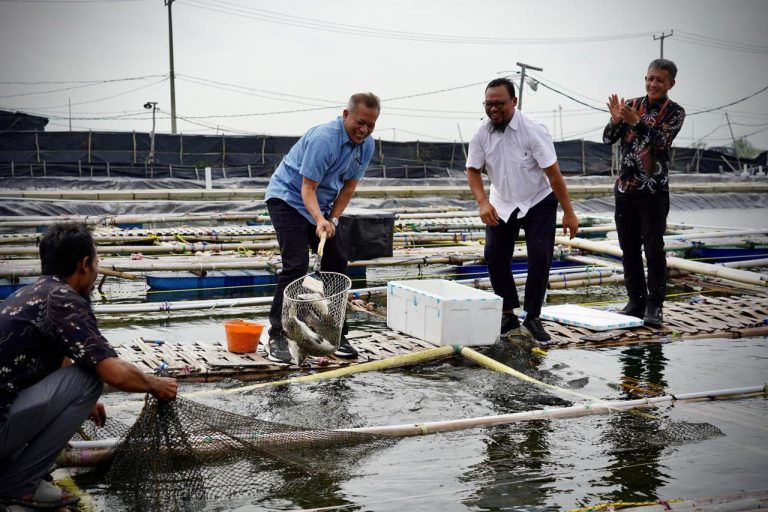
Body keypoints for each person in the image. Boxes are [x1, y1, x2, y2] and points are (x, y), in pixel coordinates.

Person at [0, 223, 178, 511]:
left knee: (84, 383)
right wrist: (155, 384)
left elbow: (61, 354)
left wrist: (83, 403)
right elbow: (112, 372)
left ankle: (17, 472)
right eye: (96, 263)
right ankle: (21, 484)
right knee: (89, 379)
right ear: (84, 265)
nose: (96, 271)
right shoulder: (64, 299)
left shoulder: (31, 293)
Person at [263, 92, 381, 363]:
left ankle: (335, 333)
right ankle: (277, 334)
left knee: (337, 260)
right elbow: (308, 188)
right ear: (346, 114)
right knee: (296, 264)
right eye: (360, 122)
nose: (364, 130)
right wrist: (319, 219)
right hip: (288, 199)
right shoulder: (324, 139)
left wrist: (333, 220)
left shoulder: (367, 145)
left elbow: (349, 187)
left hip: (322, 205)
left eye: (371, 125)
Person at [467, 77, 579, 344]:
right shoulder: (481, 133)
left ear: (514, 102)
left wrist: (569, 212)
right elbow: (472, 171)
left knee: (540, 257)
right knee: (494, 256)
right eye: (488, 104)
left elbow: (553, 175)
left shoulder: (532, 130)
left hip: (538, 200)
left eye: (499, 103)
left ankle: (532, 317)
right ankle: (507, 313)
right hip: (502, 202)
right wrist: (483, 202)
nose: (493, 109)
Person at [603, 59, 685, 327]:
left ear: (670, 84)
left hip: (653, 191)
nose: (653, 84)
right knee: (628, 248)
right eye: (650, 78)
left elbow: (662, 142)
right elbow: (607, 139)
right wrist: (616, 121)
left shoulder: (675, 112)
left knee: (654, 247)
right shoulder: (632, 106)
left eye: (660, 80)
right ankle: (635, 300)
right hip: (625, 189)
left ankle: (655, 305)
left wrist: (637, 123)